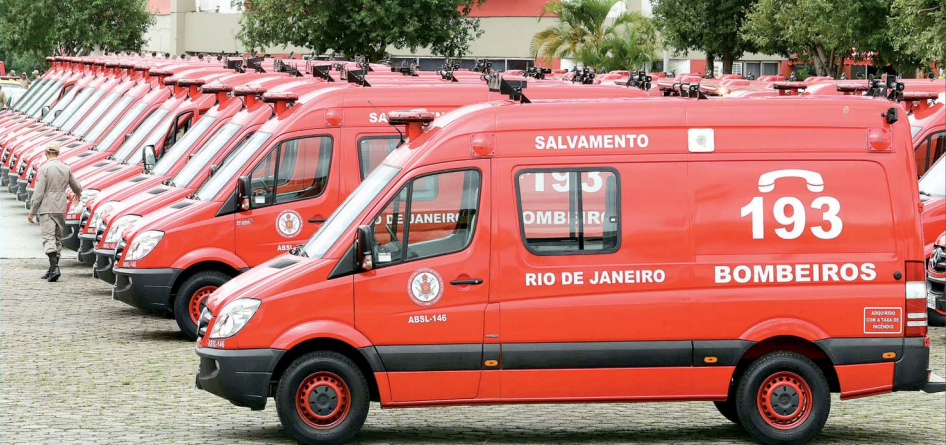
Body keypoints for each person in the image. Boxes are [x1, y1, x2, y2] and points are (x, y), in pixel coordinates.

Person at [28, 142, 82, 282]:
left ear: (46, 152)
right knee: (58, 238)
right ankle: (52, 268)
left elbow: (39, 192)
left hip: (47, 205)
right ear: (58, 153)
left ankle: (54, 268)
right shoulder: (65, 167)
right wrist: (78, 194)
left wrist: (32, 211)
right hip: (61, 205)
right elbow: (76, 186)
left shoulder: (44, 168)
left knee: (48, 237)